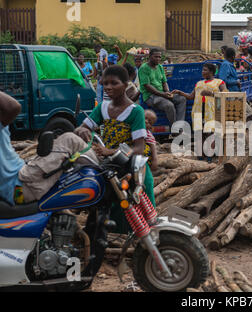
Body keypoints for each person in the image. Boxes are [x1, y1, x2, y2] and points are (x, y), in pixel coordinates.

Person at [75, 65, 156, 230]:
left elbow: (139, 147)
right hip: (112, 169)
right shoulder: (103, 107)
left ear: (126, 85)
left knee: (139, 221)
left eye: (114, 83)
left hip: (132, 169)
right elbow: (83, 127)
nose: (108, 87)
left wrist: (110, 151)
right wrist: (82, 130)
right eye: (105, 83)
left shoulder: (136, 111)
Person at [0, 91, 99, 205]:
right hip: (20, 187)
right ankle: (102, 179)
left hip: (16, 184)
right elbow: (13, 107)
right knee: (70, 140)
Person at [139, 48, 187, 128]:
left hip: (162, 94)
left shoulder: (160, 67)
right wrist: (163, 94)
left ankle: (179, 125)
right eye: (156, 57)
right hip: (150, 96)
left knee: (182, 99)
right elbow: (147, 86)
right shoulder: (144, 68)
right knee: (169, 105)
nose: (158, 59)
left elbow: (164, 82)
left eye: (159, 57)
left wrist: (168, 92)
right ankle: (175, 128)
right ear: (150, 57)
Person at [174, 63, 227, 132]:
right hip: (198, 111)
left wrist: (211, 94)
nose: (202, 72)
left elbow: (225, 93)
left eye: (205, 70)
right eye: (202, 70)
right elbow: (191, 96)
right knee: (199, 134)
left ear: (211, 72)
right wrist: (180, 92)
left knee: (211, 132)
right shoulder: (199, 83)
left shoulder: (219, 82)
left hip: (212, 111)